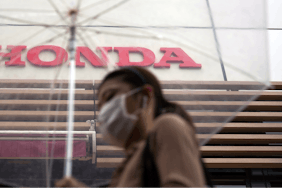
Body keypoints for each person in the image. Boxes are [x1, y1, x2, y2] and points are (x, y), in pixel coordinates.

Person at [56, 66, 213, 188]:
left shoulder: (168, 125)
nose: (103, 112)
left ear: (144, 96)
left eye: (110, 97)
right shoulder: (129, 163)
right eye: (100, 107)